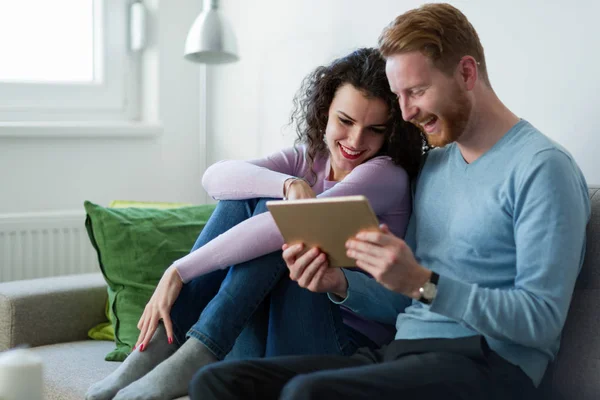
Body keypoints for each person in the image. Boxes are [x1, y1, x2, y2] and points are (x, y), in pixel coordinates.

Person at [188, 3, 591, 400]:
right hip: (400, 352)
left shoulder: (542, 168)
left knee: (307, 393)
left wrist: (423, 283)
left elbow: (541, 320)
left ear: (467, 72)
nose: (407, 112)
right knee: (217, 382)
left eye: (416, 91)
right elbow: (404, 302)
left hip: (489, 366)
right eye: (399, 95)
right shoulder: (434, 166)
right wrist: (340, 283)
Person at [85, 48, 425, 400]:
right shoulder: (307, 160)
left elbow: (277, 229)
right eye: (346, 121)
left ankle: (199, 350)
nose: (356, 141)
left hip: (335, 347)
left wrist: (179, 269)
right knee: (254, 192)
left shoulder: (385, 175)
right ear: (325, 112)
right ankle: (157, 349)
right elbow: (216, 177)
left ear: (390, 132)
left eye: (374, 129)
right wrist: (288, 183)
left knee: (280, 218)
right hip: (264, 338)